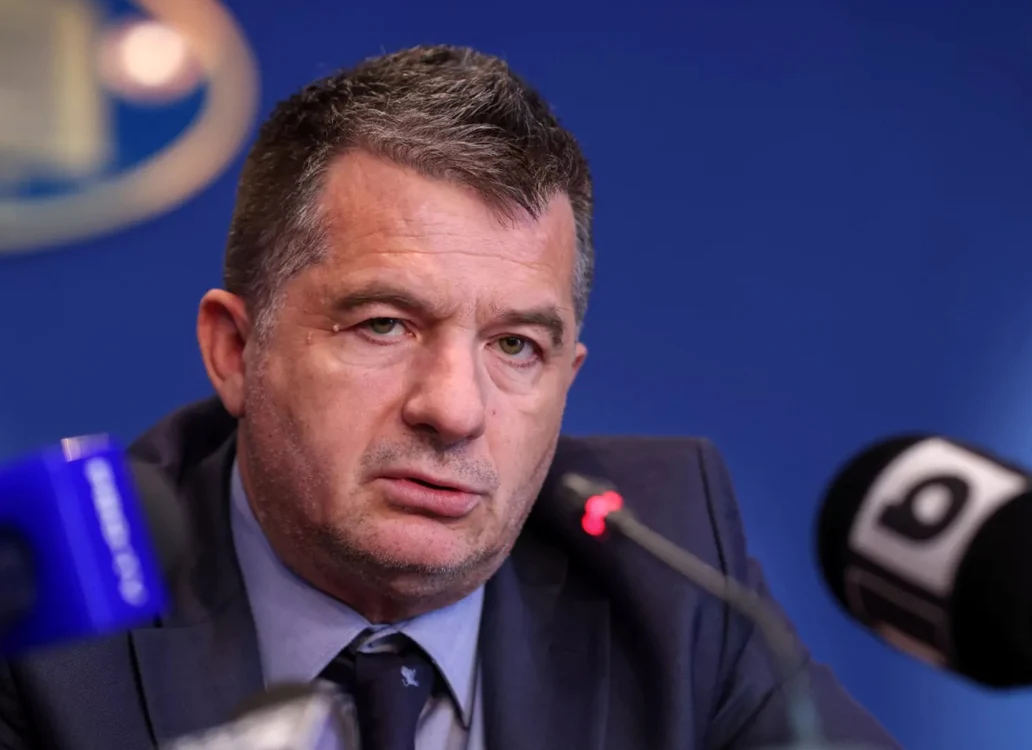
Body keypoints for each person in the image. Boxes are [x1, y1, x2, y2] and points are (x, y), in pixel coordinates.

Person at [0, 45, 901, 750]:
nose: (456, 410)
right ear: (236, 351)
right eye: (385, 325)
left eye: (515, 347)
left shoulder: (667, 564)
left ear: (567, 379)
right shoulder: (44, 593)